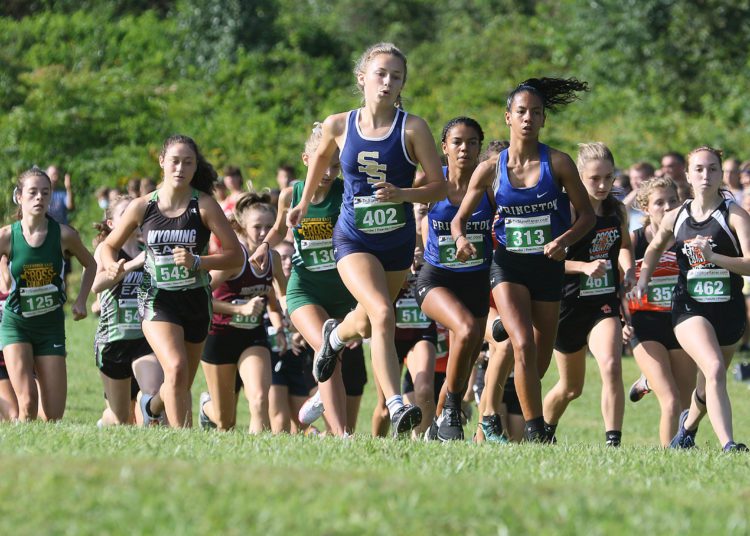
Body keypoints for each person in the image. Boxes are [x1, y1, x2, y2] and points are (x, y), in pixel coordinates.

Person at [287, 42, 446, 436]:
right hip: (353, 238)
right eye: (381, 74)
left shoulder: (413, 127)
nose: (388, 82)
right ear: (363, 79)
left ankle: (334, 336)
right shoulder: (339, 124)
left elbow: (440, 186)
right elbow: (321, 159)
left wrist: (403, 194)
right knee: (383, 313)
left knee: (366, 320)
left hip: (395, 242)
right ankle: (395, 404)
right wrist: (304, 203)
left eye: (396, 76)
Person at [451, 77, 594, 442]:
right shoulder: (489, 170)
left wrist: (563, 241)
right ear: (508, 118)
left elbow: (587, 217)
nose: (528, 118)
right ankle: (536, 431)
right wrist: (461, 239)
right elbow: (459, 219)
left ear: (544, 119)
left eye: (536, 112)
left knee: (537, 363)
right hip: (508, 266)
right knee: (523, 345)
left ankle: (511, 400)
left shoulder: (558, 163)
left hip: (548, 269)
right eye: (521, 112)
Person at [101, 135, 243, 428]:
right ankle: (183, 440)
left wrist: (198, 262)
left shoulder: (204, 206)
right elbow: (107, 246)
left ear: (195, 167)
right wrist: (111, 265)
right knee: (176, 370)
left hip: (195, 302)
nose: (180, 168)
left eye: (188, 162)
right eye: (175, 161)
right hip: (157, 299)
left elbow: (235, 257)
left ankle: (151, 406)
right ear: (162, 162)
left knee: (179, 382)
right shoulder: (143, 206)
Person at [636, 146, 749, 452]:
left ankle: (685, 430)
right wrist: (643, 280)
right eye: (698, 169)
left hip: (729, 311)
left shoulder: (734, 214)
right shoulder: (678, 215)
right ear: (687, 175)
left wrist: (715, 256)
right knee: (713, 369)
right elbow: (654, 247)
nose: (705, 175)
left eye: (712, 169)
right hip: (689, 308)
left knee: (706, 384)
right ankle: (729, 444)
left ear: (721, 173)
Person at [250, 123, 357, 437]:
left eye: (336, 166)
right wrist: (264, 246)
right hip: (305, 287)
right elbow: (280, 230)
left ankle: (319, 403)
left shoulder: (346, 192)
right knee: (327, 351)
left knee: (333, 359)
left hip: (343, 290)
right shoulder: (291, 194)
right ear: (307, 160)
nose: (329, 172)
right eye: (324, 164)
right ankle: (341, 437)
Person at [542, 142, 635, 446]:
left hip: (602, 303)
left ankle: (613, 441)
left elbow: (622, 246)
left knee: (611, 364)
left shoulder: (616, 209)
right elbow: (546, 258)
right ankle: (543, 430)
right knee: (571, 388)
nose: (603, 185)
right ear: (580, 176)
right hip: (566, 305)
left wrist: (629, 268)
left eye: (609, 177)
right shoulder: (565, 210)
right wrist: (583, 266)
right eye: (595, 178)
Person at [418, 116, 494, 441]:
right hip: (436, 279)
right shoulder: (432, 183)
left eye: (472, 142)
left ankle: (437, 427)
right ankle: (452, 408)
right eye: (457, 142)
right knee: (465, 328)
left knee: (462, 365)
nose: (464, 148)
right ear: (444, 147)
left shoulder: (489, 187)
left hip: (476, 282)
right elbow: (409, 215)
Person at [0, 166, 95, 421]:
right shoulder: (7, 236)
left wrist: (81, 300)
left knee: (53, 414)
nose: (39, 198)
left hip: (50, 326)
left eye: (45, 192)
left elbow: (92, 264)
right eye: (32, 192)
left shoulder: (64, 235)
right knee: (28, 403)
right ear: (19, 196)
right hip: (16, 325)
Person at [199, 193, 286, 433]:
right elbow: (200, 296)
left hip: (252, 336)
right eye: (257, 227)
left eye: (269, 227)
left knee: (259, 399)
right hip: (219, 336)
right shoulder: (235, 259)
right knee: (225, 422)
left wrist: (282, 325)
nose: (263, 233)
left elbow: (278, 296)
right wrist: (239, 308)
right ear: (243, 228)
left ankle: (261, 461)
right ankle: (206, 406)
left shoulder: (274, 259)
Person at [626, 177, 696, 446]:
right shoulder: (634, 241)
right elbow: (615, 283)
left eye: (673, 201)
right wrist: (622, 320)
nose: (667, 207)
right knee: (670, 400)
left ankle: (648, 381)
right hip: (644, 325)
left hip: (681, 323)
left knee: (687, 402)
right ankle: (672, 456)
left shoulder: (688, 238)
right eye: (659, 203)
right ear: (645, 208)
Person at [92, 196, 164, 426]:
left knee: (152, 393)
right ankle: (106, 422)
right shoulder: (106, 250)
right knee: (122, 419)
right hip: (114, 339)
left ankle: (152, 420)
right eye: (124, 213)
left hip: (145, 337)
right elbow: (97, 285)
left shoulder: (149, 249)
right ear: (112, 223)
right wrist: (132, 265)